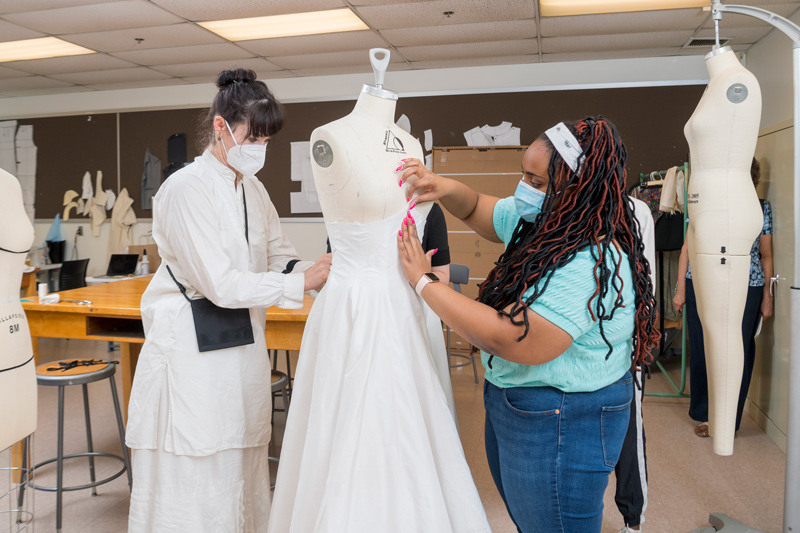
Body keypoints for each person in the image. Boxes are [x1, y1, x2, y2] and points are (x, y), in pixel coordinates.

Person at [398, 116, 660, 531]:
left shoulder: (591, 259)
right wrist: (445, 187)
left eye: (536, 182)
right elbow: (483, 209)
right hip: (521, 403)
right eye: (524, 175)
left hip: (563, 418)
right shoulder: (545, 220)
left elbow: (513, 338)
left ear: (577, 188)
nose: (524, 190)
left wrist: (424, 283)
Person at [269, 80, 490, 533]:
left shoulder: (410, 146)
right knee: (345, 427)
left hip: (404, 302)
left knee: (406, 427)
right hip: (351, 302)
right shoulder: (330, 137)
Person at [125, 68, 331, 533]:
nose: (259, 148)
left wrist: (321, 274)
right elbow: (220, 283)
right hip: (191, 357)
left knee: (241, 464)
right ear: (221, 127)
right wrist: (300, 284)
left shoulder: (252, 189)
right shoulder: (184, 189)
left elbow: (280, 259)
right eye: (252, 137)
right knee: (196, 470)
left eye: (266, 140)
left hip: (241, 352)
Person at [673, 157, 773, 439]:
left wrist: (767, 295)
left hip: (747, 285)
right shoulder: (701, 205)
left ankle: (729, 419)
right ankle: (706, 414)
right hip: (700, 282)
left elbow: (766, 255)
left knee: (738, 351)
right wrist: (680, 289)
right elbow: (686, 250)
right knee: (704, 348)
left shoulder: (760, 208)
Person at [615, 196, 656, 533]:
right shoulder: (558, 202)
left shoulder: (635, 211)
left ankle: (632, 520)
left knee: (628, 432)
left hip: (623, 345)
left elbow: (647, 280)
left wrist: (639, 346)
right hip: (570, 346)